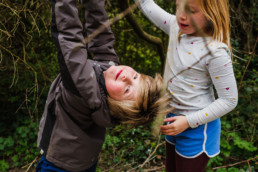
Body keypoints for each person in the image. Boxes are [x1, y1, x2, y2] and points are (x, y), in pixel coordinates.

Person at [36, 0, 171, 171]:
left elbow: (69, 37)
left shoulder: (85, 88)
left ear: (117, 105)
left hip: (58, 165)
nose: (127, 76)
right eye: (136, 76)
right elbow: (101, 35)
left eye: (127, 89)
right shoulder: (110, 74)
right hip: (85, 160)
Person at [134, 0, 238, 171]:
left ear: (211, 13)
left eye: (191, 11)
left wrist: (188, 122)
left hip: (196, 130)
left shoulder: (216, 52)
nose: (181, 15)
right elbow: (146, 5)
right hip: (173, 122)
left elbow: (229, 101)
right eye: (178, 7)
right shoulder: (177, 29)